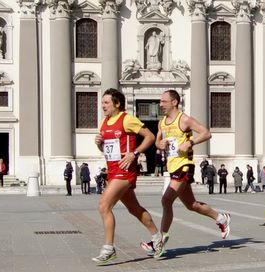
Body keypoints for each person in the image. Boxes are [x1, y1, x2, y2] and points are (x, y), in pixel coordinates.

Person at [154, 89, 231, 258]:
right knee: (191, 205)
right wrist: (161, 144)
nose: (160, 105)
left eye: (163, 101)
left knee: (166, 200)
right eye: (160, 102)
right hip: (172, 166)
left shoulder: (185, 119)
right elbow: (157, 142)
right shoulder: (162, 122)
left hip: (185, 166)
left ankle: (160, 241)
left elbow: (206, 133)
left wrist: (190, 142)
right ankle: (221, 219)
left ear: (174, 102)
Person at [92, 88, 160, 264]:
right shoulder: (104, 122)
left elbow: (150, 137)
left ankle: (109, 249)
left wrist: (134, 153)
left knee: (104, 206)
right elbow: (107, 150)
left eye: (106, 102)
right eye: (102, 102)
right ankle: (157, 237)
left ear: (117, 104)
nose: (103, 106)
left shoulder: (127, 119)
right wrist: (99, 144)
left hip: (125, 171)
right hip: (112, 170)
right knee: (134, 208)